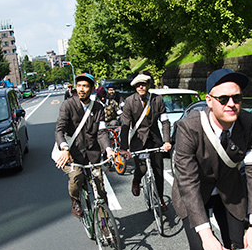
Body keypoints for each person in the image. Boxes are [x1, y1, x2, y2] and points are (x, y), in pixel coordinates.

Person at [171, 68, 252, 250]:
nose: (231, 104)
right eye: (223, 99)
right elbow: (188, 182)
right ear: (209, 100)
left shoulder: (249, 123)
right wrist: (206, 236)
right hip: (194, 193)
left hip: (230, 190)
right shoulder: (188, 127)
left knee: (238, 249)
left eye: (236, 98)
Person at [54, 73, 115, 218]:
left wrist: (108, 149)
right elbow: (59, 130)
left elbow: (101, 132)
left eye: (85, 86)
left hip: (92, 155)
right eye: (79, 85)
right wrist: (64, 148)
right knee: (77, 177)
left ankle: (104, 223)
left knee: (100, 189)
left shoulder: (99, 108)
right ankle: (75, 199)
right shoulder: (68, 105)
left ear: (92, 89)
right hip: (71, 154)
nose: (82, 89)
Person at [119, 73, 171, 211]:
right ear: (135, 87)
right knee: (142, 168)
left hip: (155, 140)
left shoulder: (157, 99)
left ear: (148, 85)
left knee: (158, 171)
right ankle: (136, 179)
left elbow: (165, 121)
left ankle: (160, 199)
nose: (141, 87)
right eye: (138, 85)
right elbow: (125, 125)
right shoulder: (130, 101)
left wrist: (166, 140)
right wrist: (124, 148)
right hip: (138, 141)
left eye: (143, 84)